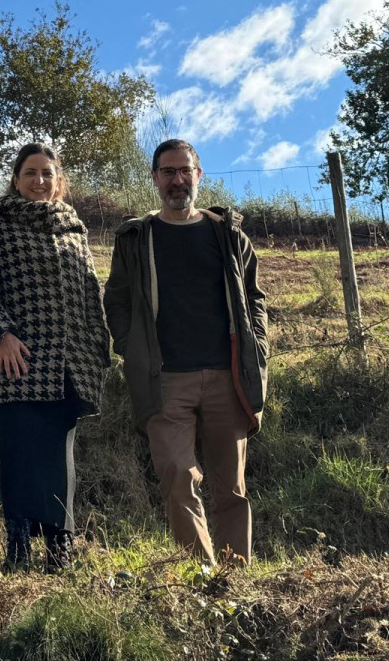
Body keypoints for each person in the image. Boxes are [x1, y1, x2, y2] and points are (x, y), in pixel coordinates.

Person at [103, 138, 269, 565]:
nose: (177, 180)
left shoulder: (228, 236)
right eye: (168, 172)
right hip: (164, 380)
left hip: (226, 378)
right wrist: (131, 349)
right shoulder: (137, 238)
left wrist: (259, 349)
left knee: (231, 488)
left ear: (198, 176)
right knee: (178, 477)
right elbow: (116, 300)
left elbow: (255, 300)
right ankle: (203, 580)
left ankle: (235, 576)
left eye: (185, 171)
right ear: (155, 179)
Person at [0, 142, 111, 571]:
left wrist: (98, 351)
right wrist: (2, 335)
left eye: (47, 173)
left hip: (68, 364)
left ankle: (59, 548)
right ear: (16, 179)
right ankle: (18, 548)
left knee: (58, 455)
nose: (39, 181)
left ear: (58, 180)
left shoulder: (74, 229)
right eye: (30, 172)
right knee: (19, 452)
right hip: (18, 360)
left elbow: (90, 294)